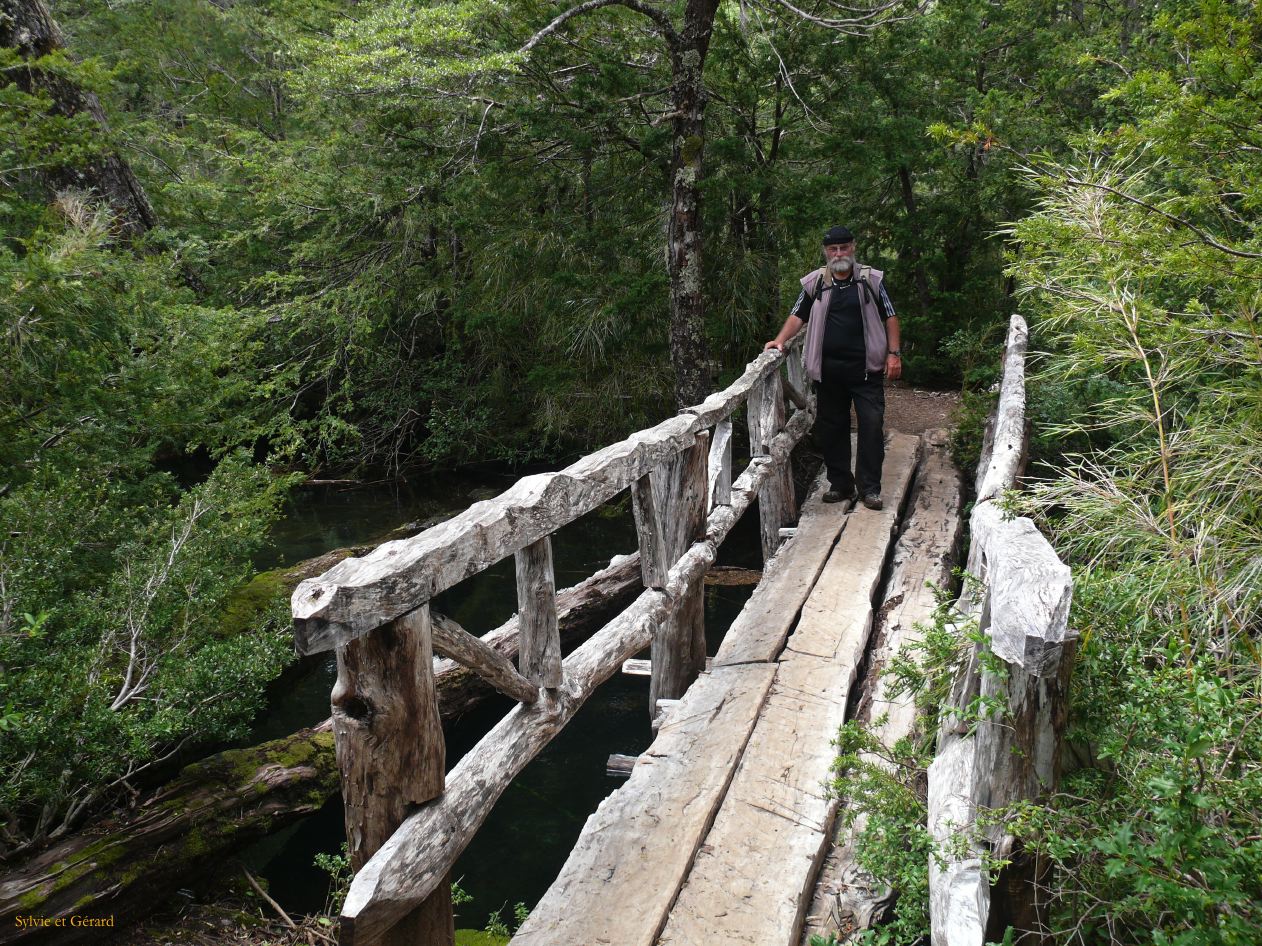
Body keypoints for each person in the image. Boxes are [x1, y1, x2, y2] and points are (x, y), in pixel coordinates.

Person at [764, 225, 901, 509]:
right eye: (833, 249)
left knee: (871, 426)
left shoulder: (870, 280)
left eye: (843, 248)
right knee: (833, 428)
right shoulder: (817, 282)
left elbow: (890, 315)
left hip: (867, 370)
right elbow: (797, 316)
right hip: (828, 373)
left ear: (853, 248)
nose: (838, 253)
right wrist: (779, 341)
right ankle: (841, 484)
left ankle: (870, 489)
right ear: (826, 252)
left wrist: (894, 353)